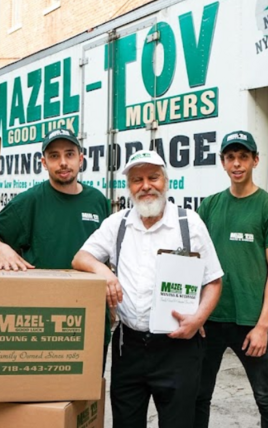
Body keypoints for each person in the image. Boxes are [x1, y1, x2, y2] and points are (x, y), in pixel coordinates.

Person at [73, 150, 223, 428]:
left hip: (178, 348)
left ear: (166, 181)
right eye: (137, 180)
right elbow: (81, 257)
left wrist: (198, 319)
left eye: (153, 177)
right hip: (128, 347)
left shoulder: (189, 224)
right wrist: (104, 272)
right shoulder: (117, 224)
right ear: (129, 187)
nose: (145, 186)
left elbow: (213, 280)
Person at [194, 130, 268, 428]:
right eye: (231, 157)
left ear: (255, 160)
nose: (237, 164)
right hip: (210, 319)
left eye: (243, 157)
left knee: (265, 396)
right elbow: (194, 262)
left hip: (250, 322)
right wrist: (196, 314)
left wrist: (263, 327)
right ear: (222, 162)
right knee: (199, 395)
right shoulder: (209, 205)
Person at [0, 127, 113, 355]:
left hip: (91, 315)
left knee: (92, 377)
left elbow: (108, 254)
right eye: (54, 156)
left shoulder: (98, 201)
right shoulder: (30, 201)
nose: (63, 162)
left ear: (80, 159)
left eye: (69, 154)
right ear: (44, 163)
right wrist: (1, 248)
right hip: (45, 320)